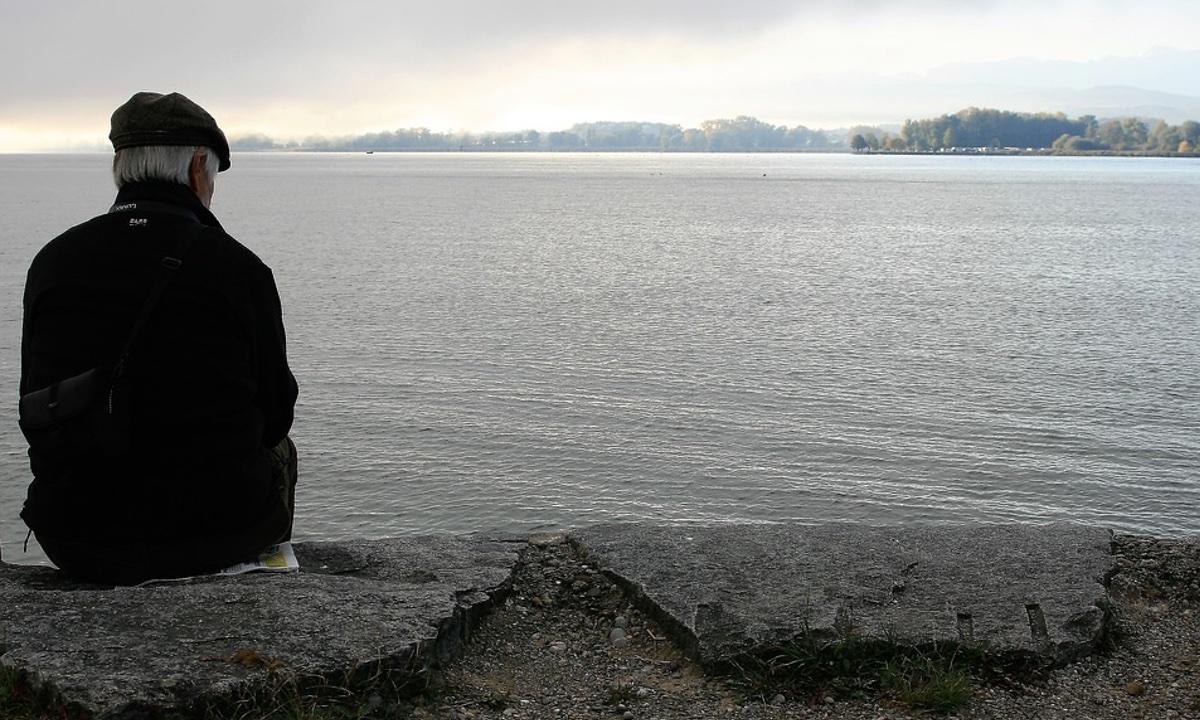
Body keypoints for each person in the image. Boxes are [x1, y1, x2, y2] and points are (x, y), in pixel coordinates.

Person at [18, 91, 298, 585]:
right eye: (212, 176)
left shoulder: (53, 261)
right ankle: (257, 588)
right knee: (282, 451)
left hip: (75, 536)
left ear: (121, 169)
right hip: (217, 533)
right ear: (196, 169)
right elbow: (276, 413)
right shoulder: (236, 266)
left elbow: (35, 403)